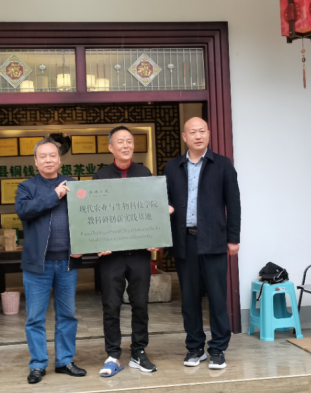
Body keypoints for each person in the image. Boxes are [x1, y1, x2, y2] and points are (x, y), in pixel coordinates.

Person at [164, 117, 241, 370]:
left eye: (202, 131)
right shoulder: (172, 167)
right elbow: (162, 201)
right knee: (189, 300)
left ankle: (218, 348)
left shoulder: (222, 165)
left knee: (217, 298)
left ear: (208, 134)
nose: (198, 136)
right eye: (192, 132)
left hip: (214, 241)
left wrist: (233, 238)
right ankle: (195, 347)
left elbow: (234, 203)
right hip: (184, 241)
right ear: (184, 137)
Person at [15, 137, 87, 384]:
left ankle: (65, 361)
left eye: (52, 155)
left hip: (66, 263)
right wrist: (55, 195)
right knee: (35, 318)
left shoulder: (74, 185)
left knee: (67, 315)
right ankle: (37, 364)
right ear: (35, 162)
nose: (48, 160)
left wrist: (82, 246)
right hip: (38, 265)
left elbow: (86, 219)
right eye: (43, 156)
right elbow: (24, 210)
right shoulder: (27, 187)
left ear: (59, 159)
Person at [92, 126, 160, 377]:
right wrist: (98, 242)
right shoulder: (100, 176)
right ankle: (112, 355)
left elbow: (152, 208)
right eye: (120, 141)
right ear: (111, 147)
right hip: (112, 255)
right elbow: (94, 214)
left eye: (129, 141)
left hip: (139, 252)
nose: (126, 145)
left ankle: (139, 352)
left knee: (140, 303)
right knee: (111, 305)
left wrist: (155, 236)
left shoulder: (144, 173)